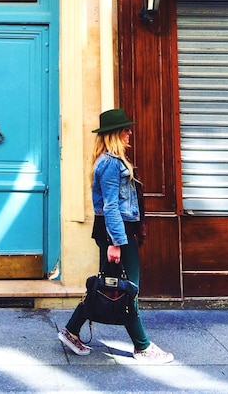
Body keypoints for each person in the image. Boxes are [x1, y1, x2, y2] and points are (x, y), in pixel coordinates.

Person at [58, 108, 174, 364]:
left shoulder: (109, 160)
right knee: (127, 289)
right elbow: (110, 206)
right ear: (114, 134)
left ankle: (71, 330)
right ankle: (142, 347)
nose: (129, 132)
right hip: (117, 232)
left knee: (108, 286)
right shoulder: (111, 164)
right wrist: (116, 242)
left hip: (116, 230)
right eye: (125, 129)